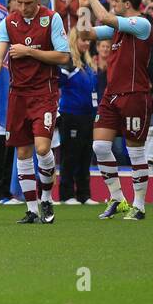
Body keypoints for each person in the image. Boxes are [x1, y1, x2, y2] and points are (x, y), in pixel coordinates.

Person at [0, 0, 72, 225]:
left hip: (45, 92)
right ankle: (32, 209)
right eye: (19, 3)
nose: (23, 8)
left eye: (28, 3)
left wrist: (29, 51)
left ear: (38, 0)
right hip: (17, 94)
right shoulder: (8, 22)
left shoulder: (51, 19)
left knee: (42, 148)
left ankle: (46, 197)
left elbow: (64, 56)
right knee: (22, 152)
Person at [81, 0, 152, 221]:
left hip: (134, 94)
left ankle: (139, 206)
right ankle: (118, 199)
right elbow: (86, 33)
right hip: (112, 94)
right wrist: (83, 6)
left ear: (129, 4)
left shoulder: (142, 24)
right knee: (99, 146)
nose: (113, 5)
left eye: (116, 1)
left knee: (135, 152)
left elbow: (106, 18)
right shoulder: (118, 27)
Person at [57, 24, 98, 204]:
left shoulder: (88, 63)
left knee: (85, 155)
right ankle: (67, 194)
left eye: (88, 40)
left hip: (88, 115)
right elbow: (57, 82)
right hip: (70, 115)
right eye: (83, 39)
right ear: (75, 40)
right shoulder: (68, 62)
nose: (87, 43)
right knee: (70, 155)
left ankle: (84, 194)